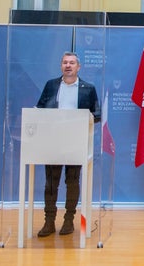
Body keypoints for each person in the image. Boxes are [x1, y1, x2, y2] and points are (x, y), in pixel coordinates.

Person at [35, 51, 100, 237]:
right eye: (65, 62)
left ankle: (69, 220)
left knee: (72, 182)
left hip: (76, 141)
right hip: (53, 141)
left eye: (72, 63)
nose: (68, 65)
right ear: (61, 66)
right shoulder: (51, 85)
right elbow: (40, 108)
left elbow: (97, 114)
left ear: (78, 67)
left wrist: (88, 117)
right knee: (51, 183)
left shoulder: (88, 88)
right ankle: (49, 222)